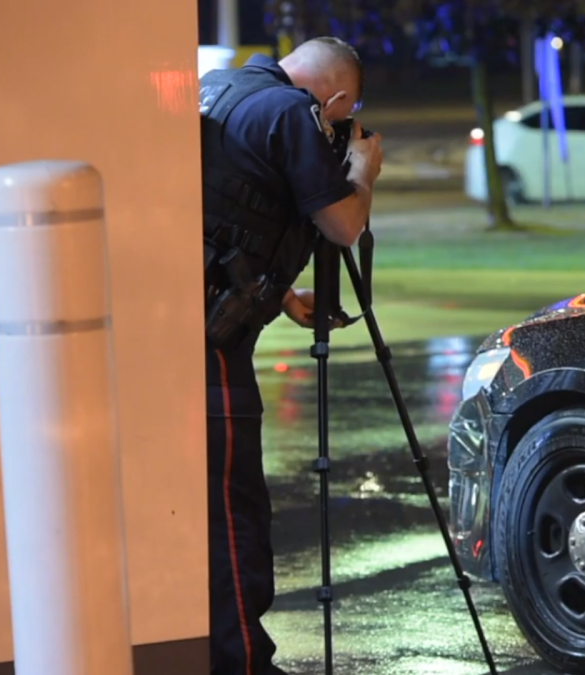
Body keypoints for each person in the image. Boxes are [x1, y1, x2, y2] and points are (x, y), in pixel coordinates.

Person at [198, 37, 382, 675]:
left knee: (211, 507)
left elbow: (222, 214)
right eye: (343, 117)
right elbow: (343, 225)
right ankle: (244, 661)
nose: (338, 129)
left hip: (184, 325)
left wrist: (278, 294)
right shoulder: (289, 111)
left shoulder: (220, 89)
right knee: (234, 512)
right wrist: (361, 169)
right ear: (336, 98)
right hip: (212, 351)